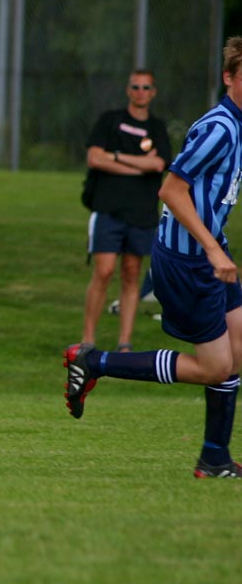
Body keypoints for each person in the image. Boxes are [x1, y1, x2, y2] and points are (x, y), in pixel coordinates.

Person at [64, 36, 242, 479]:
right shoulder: (220, 128)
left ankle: (214, 458)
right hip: (189, 260)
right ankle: (94, 361)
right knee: (214, 366)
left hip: (209, 249)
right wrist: (212, 247)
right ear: (229, 77)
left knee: (239, 346)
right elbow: (170, 189)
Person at [80, 68, 171, 351]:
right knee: (104, 271)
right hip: (108, 208)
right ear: (128, 90)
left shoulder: (157, 128)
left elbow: (158, 165)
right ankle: (88, 339)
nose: (141, 92)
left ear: (153, 92)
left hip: (141, 213)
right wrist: (135, 164)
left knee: (132, 273)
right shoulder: (110, 120)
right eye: (136, 87)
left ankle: (124, 342)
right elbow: (95, 158)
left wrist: (116, 159)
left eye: (146, 88)